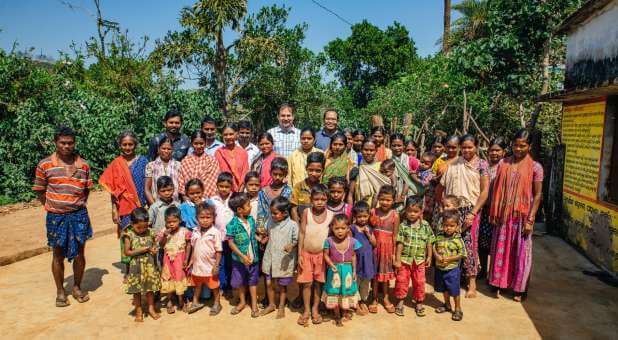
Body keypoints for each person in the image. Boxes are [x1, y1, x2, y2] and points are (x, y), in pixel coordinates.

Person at [33, 126, 93, 307]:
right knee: (57, 254)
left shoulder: (83, 165)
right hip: (56, 216)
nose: (67, 146)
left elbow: (87, 190)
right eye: (63, 143)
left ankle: (76, 286)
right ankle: (60, 291)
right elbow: (39, 190)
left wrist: (74, 205)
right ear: (56, 143)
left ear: (74, 143)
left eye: (70, 143)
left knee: (80, 254)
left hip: (79, 215)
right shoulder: (45, 165)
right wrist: (52, 206)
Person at [488, 129, 543, 302]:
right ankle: (498, 282)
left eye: (522, 146)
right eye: (515, 145)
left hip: (522, 217)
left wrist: (531, 219)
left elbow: (538, 194)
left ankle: (519, 289)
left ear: (529, 146)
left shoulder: (535, 167)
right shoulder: (504, 163)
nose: (518, 149)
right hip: (504, 217)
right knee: (500, 250)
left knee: (520, 252)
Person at [436, 134, 489, 298]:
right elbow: (441, 187)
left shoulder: (482, 165)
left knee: (470, 246)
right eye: (463, 147)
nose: (466, 150)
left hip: (470, 210)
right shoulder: (453, 164)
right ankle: (452, 279)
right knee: (449, 243)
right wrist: (443, 207)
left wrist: (473, 213)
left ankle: (472, 283)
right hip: (452, 211)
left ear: (476, 147)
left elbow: (485, 191)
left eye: (469, 147)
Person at [297, 184, 333, 327]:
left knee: (318, 283)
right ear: (311, 199)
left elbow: (331, 237)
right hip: (306, 253)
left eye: (323, 199)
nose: (320, 202)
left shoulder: (331, 215)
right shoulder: (306, 212)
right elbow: (302, 232)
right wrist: (299, 253)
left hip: (321, 256)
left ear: (327, 200)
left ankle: (315, 309)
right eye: (316, 199)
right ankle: (306, 310)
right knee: (307, 284)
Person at [100, 131, 148, 237]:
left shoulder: (143, 161)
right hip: (124, 208)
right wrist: (114, 210)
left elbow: (148, 186)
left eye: (130, 144)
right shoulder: (115, 164)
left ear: (135, 145)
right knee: (127, 239)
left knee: (142, 239)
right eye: (124, 144)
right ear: (120, 145)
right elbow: (114, 191)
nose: (127, 147)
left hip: (141, 206)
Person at [393, 196, 434, 317]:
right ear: (405, 210)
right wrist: (398, 259)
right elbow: (400, 243)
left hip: (420, 260)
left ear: (421, 211)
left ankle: (419, 302)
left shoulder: (425, 226)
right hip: (405, 260)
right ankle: (400, 301)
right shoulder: (403, 226)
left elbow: (429, 242)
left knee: (420, 282)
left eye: (415, 211)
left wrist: (430, 256)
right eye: (409, 211)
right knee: (401, 280)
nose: (412, 214)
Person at [260, 197, 299, 318]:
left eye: (275, 213)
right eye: (271, 213)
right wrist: (264, 238)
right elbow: (268, 233)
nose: (273, 215)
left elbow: (296, 240)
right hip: (270, 257)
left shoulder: (293, 225)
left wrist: (292, 245)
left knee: (282, 285)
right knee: (268, 283)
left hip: (284, 259)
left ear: (285, 213)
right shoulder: (270, 222)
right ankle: (272, 304)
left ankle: (281, 306)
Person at [322, 214, 362, 327]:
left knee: (346, 291)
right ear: (332, 228)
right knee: (334, 292)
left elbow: (354, 256)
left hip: (348, 271)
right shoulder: (328, 241)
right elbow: (325, 255)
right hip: (334, 272)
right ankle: (337, 315)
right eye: (336, 228)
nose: (340, 231)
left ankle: (344, 312)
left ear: (348, 228)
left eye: (343, 228)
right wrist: (330, 264)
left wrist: (354, 271)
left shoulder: (353, 242)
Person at [123, 207, 161, 322]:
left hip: (149, 266)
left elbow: (155, 246)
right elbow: (127, 252)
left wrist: (154, 250)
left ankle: (151, 308)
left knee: (150, 290)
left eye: (145, 226)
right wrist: (141, 250)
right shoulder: (129, 235)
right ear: (131, 224)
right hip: (136, 268)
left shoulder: (151, 232)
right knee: (137, 291)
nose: (142, 229)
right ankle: (139, 310)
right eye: (139, 227)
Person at [226, 192, 260, 318]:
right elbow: (230, 243)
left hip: (253, 258)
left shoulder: (251, 220)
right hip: (239, 260)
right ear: (240, 210)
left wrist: (259, 238)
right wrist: (242, 256)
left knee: (253, 281)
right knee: (240, 282)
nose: (250, 207)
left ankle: (254, 305)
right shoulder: (232, 225)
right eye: (248, 205)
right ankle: (242, 302)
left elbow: (252, 235)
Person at [478, 137, 508, 277]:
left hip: (499, 213)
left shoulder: (506, 168)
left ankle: (494, 273)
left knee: (497, 244)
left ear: (504, 152)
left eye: (498, 150)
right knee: (483, 243)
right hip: (484, 210)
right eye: (492, 150)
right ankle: (483, 270)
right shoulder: (484, 166)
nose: (494, 153)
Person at [188, 202, 223, 315]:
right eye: (202, 217)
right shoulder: (195, 231)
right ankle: (195, 302)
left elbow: (218, 251)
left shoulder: (215, 233)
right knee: (197, 285)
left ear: (213, 218)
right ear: (197, 218)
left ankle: (217, 303)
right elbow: (194, 247)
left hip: (210, 266)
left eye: (208, 217)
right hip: (197, 266)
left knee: (214, 286)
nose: (205, 220)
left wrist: (216, 265)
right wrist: (191, 261)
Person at [369, 185, 399, 313]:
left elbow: (395, 236)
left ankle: (386, 298)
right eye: (382, 199)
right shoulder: (373, 212)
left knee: (385, 278)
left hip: (387, 250)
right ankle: (374, 298)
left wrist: (394, 255)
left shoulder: (395, 215)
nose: (384, 202)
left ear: (393, 200)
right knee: (375, 277)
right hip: (375, 249)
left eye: (388, 200)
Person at [157, 206, 191, 314]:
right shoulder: (163, 232)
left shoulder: (184, 231)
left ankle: (181, 300)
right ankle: (170, 300)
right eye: (168, 222)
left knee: (179, 278)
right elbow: (161, 245)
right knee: (168, 279)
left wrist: (186, 259)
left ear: (180, 220)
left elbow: (189, 245)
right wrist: (164, 237)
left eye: (174, 221)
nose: (171, 224)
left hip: (180, 259)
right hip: (168, 260)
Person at [433, 210, 466, 321]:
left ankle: (457, 308)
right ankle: (447, 305)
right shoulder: (439, 236)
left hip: (452, 270)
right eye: (446, 225)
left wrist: (450, 258)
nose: (448, 228)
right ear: (442, 225)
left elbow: (462, 254)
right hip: (440, 268)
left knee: (454, 290)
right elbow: (434, 247)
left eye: (452, 226)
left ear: (457, 226)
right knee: (443, 289)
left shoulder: (458, 239)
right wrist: (436, 255)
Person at [349, 201, 376, 315]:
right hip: (357, 262)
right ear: (355, 217)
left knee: (365, 283)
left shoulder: (369, 228)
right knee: (356, 282)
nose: (362, 219)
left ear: (369, 216)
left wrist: (368, 235)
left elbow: (375, 244)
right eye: (359, 216)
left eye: (365, 216)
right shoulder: (352, 228)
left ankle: (363, 300)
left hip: (367, 262)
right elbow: (349, 244)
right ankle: (357, 301)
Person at [178, 131, 220, 199]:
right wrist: (187, 198)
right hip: (188, 200)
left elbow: (212, 182)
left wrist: (202, 200)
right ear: (192, 144)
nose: (199, 146)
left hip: (207, 200)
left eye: (201, 143)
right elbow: (182, 182)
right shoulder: (185, 161)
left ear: (205, 143)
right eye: (196, 143)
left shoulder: (212, 160)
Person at [348, 139, 390, 207]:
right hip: (361, 213)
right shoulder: (356, 170)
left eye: (371, 150)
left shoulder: (382, 168)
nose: (368, 152)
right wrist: (350, 211)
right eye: (366, 150)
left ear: (376, 151)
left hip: (379, 210)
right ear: (361, 150)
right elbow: (350, 194)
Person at [256, 157, 292, 231]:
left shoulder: (289, 191)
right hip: (267, 229)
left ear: (285, 174)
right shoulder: (263, 192)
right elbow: (260, 212)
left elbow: (289, 212)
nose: (277, 177)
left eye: (280, 175)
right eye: (275, 174)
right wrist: (260, 228)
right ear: (270, 172)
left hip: (284, 229)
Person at [145, 137, 181, 205]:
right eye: (163, 148)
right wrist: (154, 206)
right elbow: (147, 189)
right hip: (157, 204)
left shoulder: (179, 165)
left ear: (172, 150)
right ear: (158, 149)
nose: (166, 151)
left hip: (175, 206)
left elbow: (182, 189)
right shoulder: (151, 166)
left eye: (169, 149)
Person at [290, 152, 325, 223]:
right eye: (311, 170)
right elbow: (293, 209)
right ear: (306, 168)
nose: (314, 174)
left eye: (318, 171)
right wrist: (298, 228)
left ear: (323, 170)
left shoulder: (324, 188)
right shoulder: (298, 187)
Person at [215, 123, 249, 192]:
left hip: (240, 191)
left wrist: (240, 190)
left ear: (236, 134)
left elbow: (245, 172)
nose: (228, 137)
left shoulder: (242, 152)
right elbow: (217, 173)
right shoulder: (218, 153)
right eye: (225, 135)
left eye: (231, 134)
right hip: (223, 190)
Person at [391, 134, 423, 200]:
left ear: (404, 146)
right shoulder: (389, 161)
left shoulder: (410, 160)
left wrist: (403, 196)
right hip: (395, 195)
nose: (397, 148)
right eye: (394, 146)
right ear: (390, 146)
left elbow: (419, 177)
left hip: (411, 195)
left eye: (399, 145)